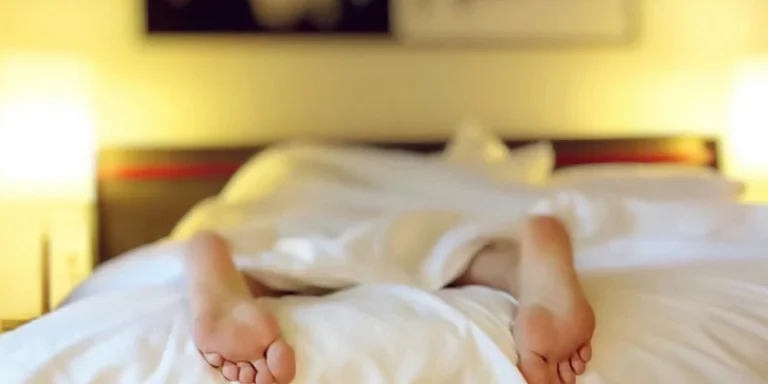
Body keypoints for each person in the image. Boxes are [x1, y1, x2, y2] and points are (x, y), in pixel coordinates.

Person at [183, 215, 595, 384]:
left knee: (282, 260)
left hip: (303, 231)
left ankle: (217, 264)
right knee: (460, 255)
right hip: (436, 226)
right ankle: (520, 266)